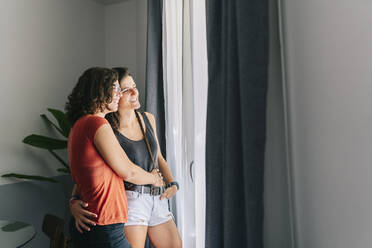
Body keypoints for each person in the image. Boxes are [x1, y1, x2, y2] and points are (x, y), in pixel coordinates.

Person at [70, 67, 182, 248]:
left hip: (157, 197)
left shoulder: (146, 119)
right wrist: (73, 201)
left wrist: (171, 183)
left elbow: (158, 157)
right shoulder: (103, 127)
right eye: (122, 89)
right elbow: (118, 172)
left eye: (134, 86)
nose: (134, 92)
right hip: (131, 198)